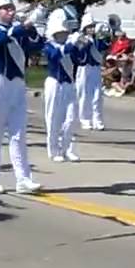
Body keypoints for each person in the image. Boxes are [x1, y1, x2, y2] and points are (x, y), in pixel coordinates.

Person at [0, 0, 45, 195]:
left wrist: (34, 23)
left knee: (18, 132)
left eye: (11, 8)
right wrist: (22, 26)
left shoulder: (18, 29)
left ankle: (23, 178)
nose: (10, 11)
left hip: (17, 83)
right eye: (6, 9)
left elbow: (37, 45)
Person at [43, 8, 88, 162]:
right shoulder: (49, 46)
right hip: (54, 83)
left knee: (71, 118)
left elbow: (80, 60)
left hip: (69, 83)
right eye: (59, 33)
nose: (63, 35)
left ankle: (67, 148)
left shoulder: (70, 45)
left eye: (64, 33)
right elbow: (55, 56)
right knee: (54, 117)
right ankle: (54, 150)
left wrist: (82, 45)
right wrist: (70, 46)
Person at [76, 14, 106, 130]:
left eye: (93, 26)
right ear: (84, 28)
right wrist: (87, 41)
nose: (92, 29)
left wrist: (104, 36)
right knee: (84, 94)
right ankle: (85, 119)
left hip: (96, 68)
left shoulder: (97, 39)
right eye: (89, 27)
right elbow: (80, 50)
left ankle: (97, 119)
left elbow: (104, 46)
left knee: (97, 95)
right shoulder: (80, 38)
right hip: (84, 68)